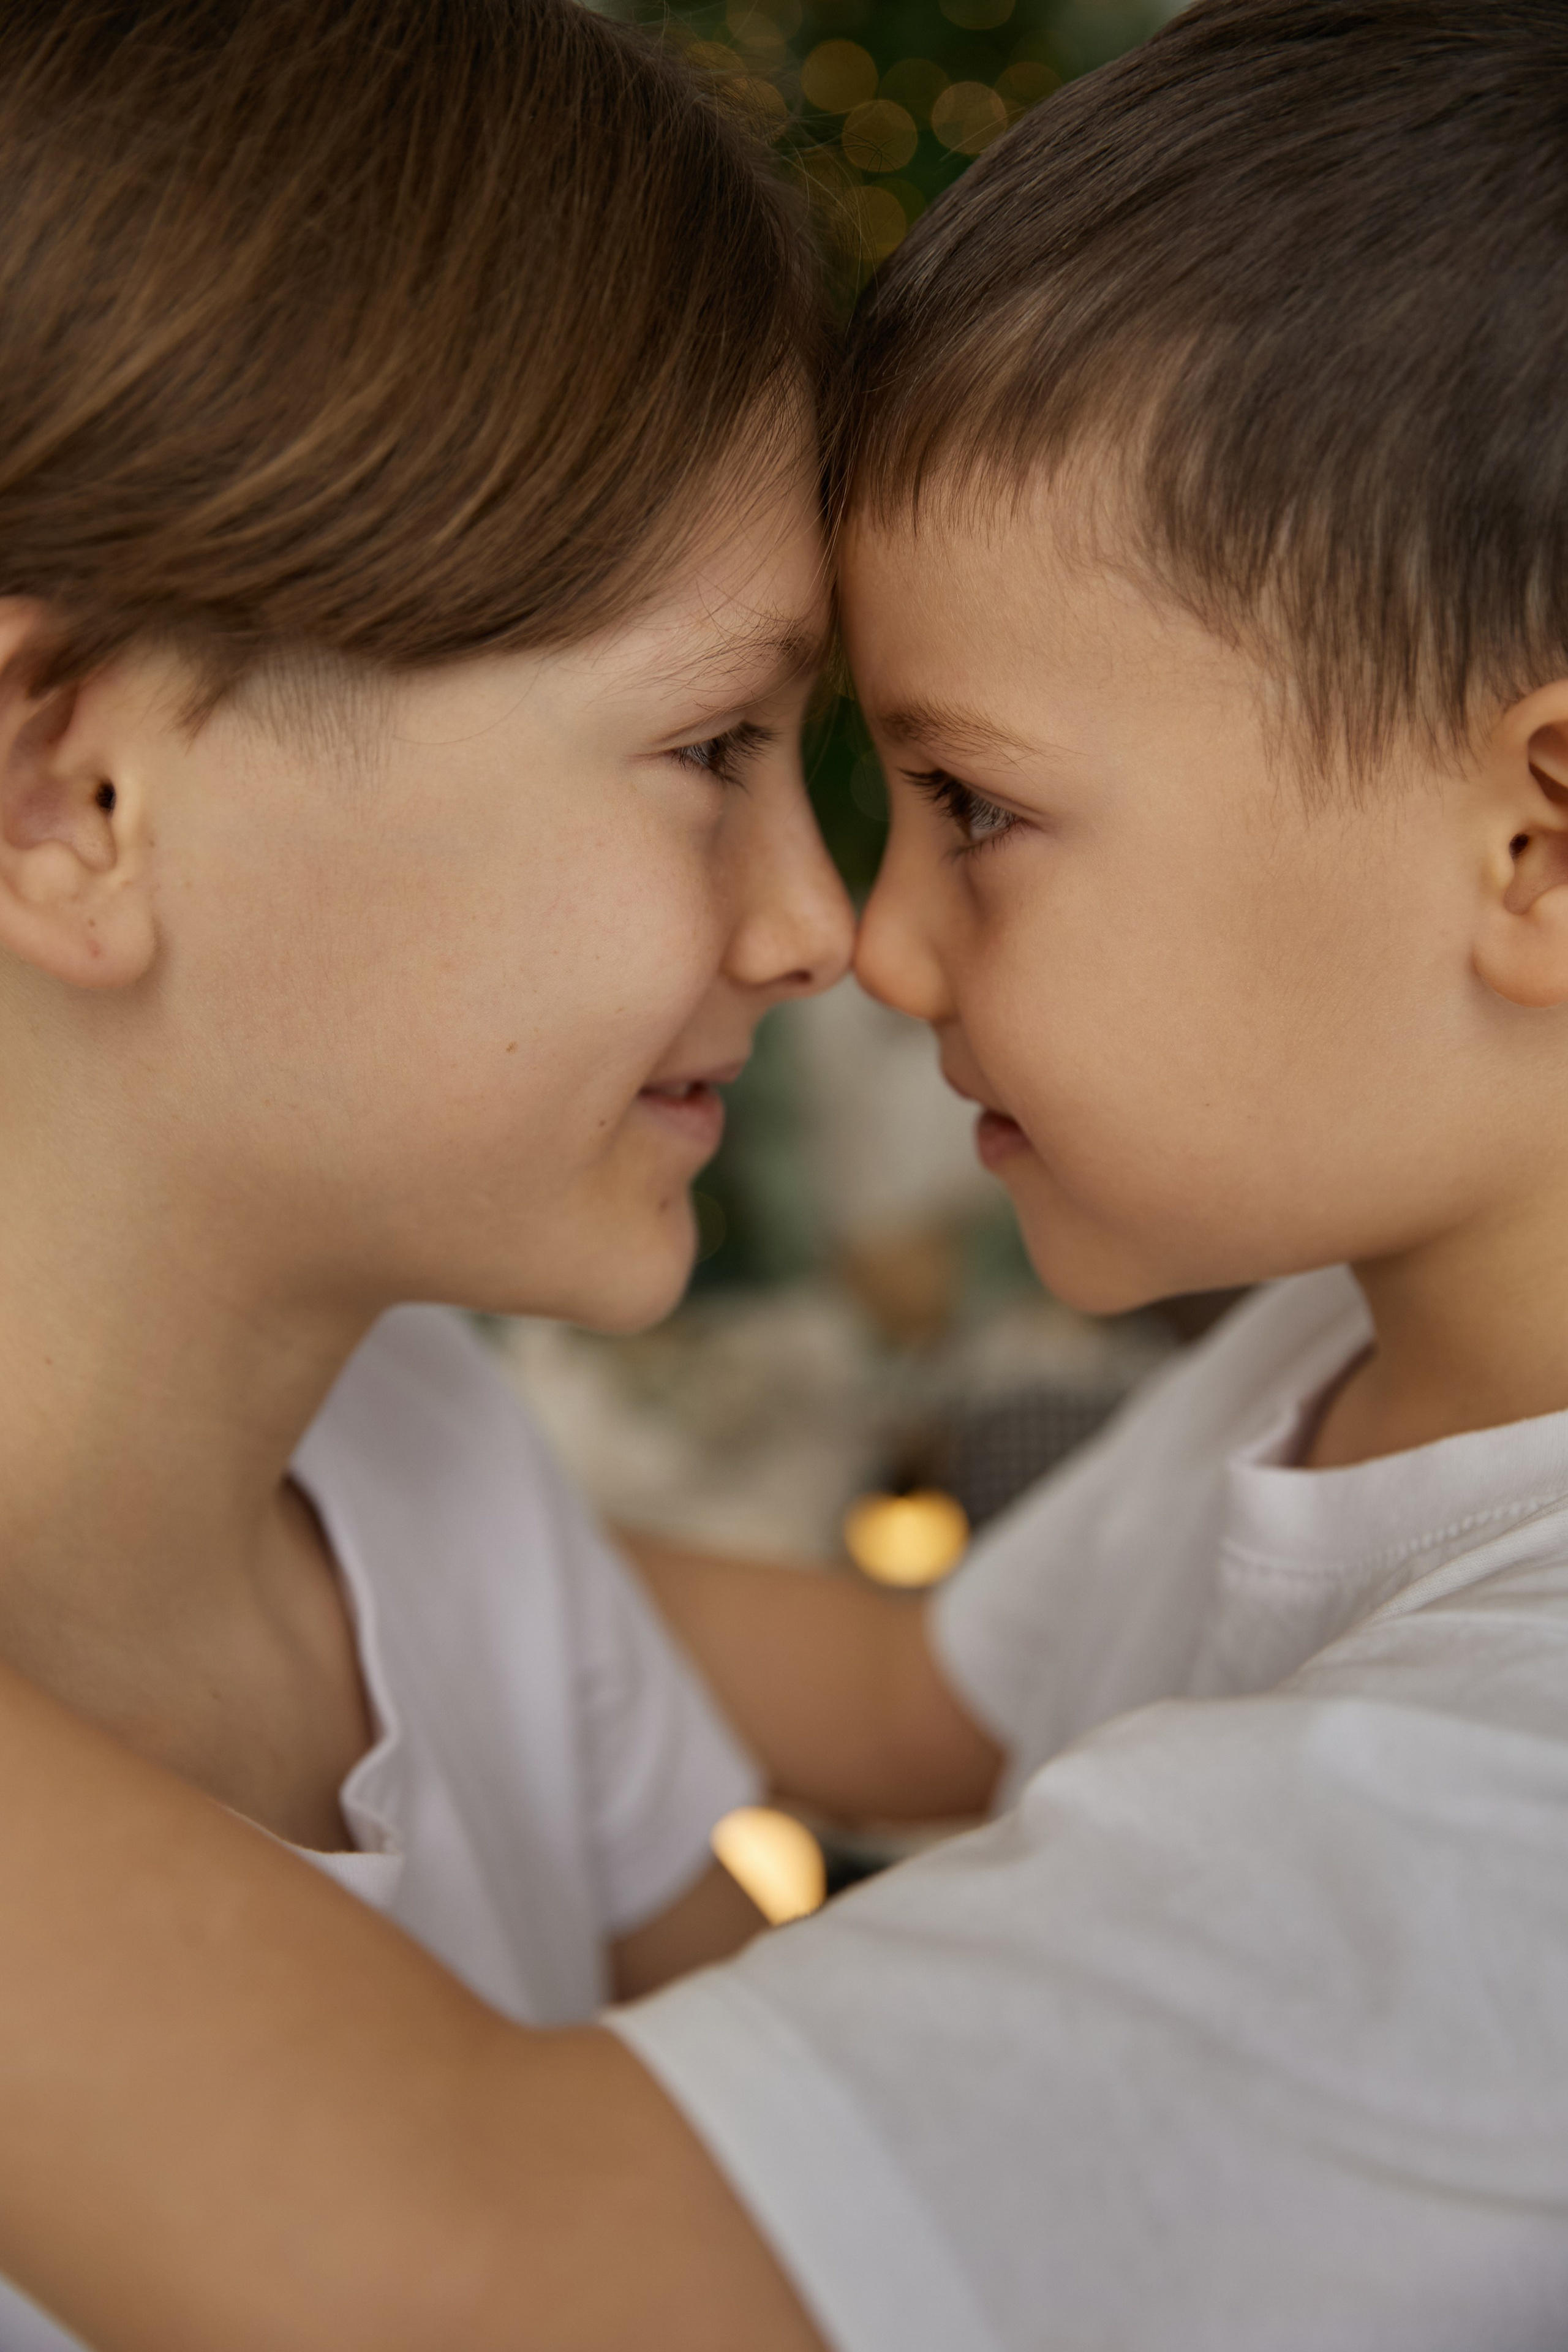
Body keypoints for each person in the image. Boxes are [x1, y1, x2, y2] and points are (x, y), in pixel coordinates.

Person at [6, 0, 1568, 2346]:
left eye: (974, 803)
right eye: (717, 743)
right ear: (72, 792)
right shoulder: (1346, 1372)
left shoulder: (1500, 1777)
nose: (841, 936)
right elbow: (893, 1724)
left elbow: (527, 2245)